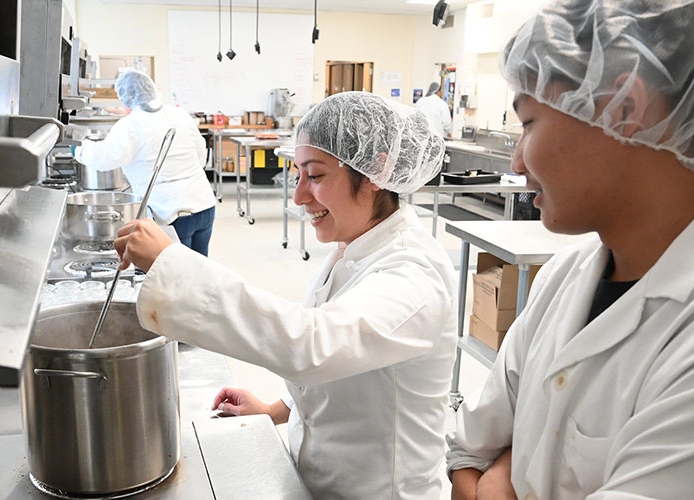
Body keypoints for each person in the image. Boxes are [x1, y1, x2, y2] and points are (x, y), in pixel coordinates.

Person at [446, 1, 694, 499]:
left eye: (530, 123)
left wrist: (504, 472)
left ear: (624, 108)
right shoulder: (566, 277)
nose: (517, 160)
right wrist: (497, 468)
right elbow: (466, 453)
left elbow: (481, 469)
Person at [114, 91, 455, 500]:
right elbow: (350, 363)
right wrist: (276, 409)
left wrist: (172, 264)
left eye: (315, 176)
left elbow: (313, 344)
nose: (298, 196)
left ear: (375, 172)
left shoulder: (413, 276)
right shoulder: (355, 248)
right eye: (298, 175)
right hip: (320, 481)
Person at [73, 69, 217, 256]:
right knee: (199, 267)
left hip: (173, 213)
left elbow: (104, 158)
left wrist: (78, 149)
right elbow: (200, 153)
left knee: (177, 274)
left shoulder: (131, 125)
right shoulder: (179, 114)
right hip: (204, 204)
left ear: (126, 97)